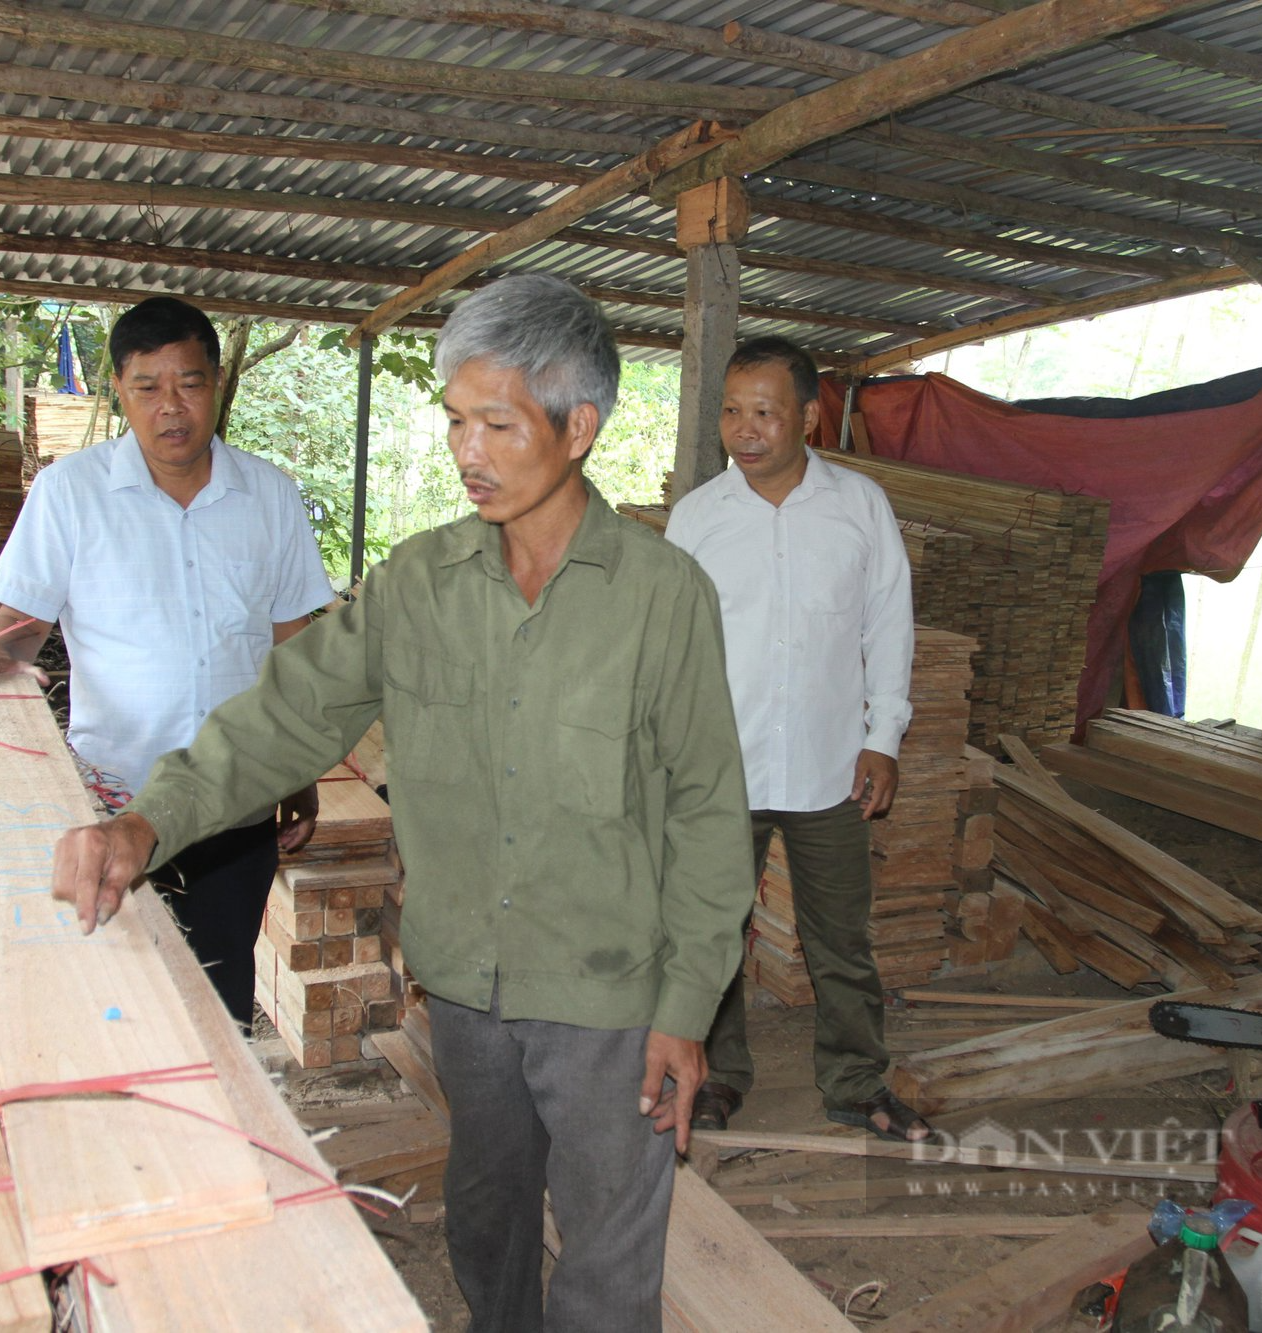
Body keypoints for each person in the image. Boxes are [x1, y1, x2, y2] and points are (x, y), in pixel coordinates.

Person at [48, 275, 756, 1331]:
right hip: (465, 988)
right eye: (455, 420)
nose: (466, 450)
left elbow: (707, 809)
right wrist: (146, 821)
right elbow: (283, 714)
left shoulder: (661, 598)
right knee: (485, 1219)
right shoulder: (417, 583)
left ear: (578, 428)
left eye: (497, 423)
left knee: (608, 1266)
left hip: (612, 1000)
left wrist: (686, 1007)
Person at [0, 295, 334, 1030]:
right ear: (120, 390)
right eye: (148, 387)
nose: (171, 408)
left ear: (216, 384)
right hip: (112, 803)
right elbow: (21, 626)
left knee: (220, 1000)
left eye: (189, 383)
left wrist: (302, 772)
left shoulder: (271, 497)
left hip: (237, 806)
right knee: (115, 1008)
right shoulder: (71, 493)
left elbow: (297, 645)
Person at [664, 336, 932, 1144]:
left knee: (840, 940)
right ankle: (715, 1076)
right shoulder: (698, 518)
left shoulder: (860, 507)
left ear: (809, 417)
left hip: (828, 770)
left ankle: (856, 1082)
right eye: (733, 412)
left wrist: (883, 736)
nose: (745, 429)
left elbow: (889, 626)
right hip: (722, 770)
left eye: (765, 412)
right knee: (711, 938)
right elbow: (672, 644)